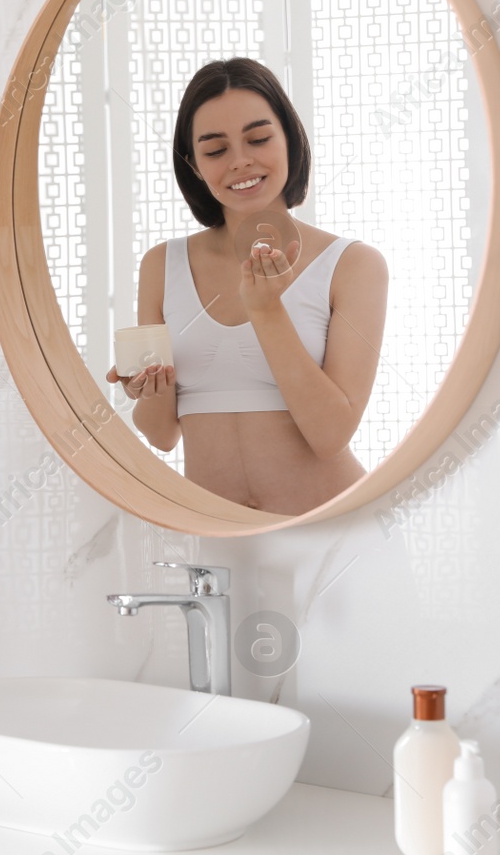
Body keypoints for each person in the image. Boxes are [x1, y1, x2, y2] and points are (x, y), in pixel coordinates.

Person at [106, 57, 388, 515]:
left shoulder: (354, 265)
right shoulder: (162, 264)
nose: (240, 161)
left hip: (334, 535)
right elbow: (161, 435)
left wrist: (266, 310)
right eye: (215, 150)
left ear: (290, 142)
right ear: (194, 166)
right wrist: (151, 391)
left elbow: (330, 435)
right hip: (219, 547)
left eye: (258, 139)